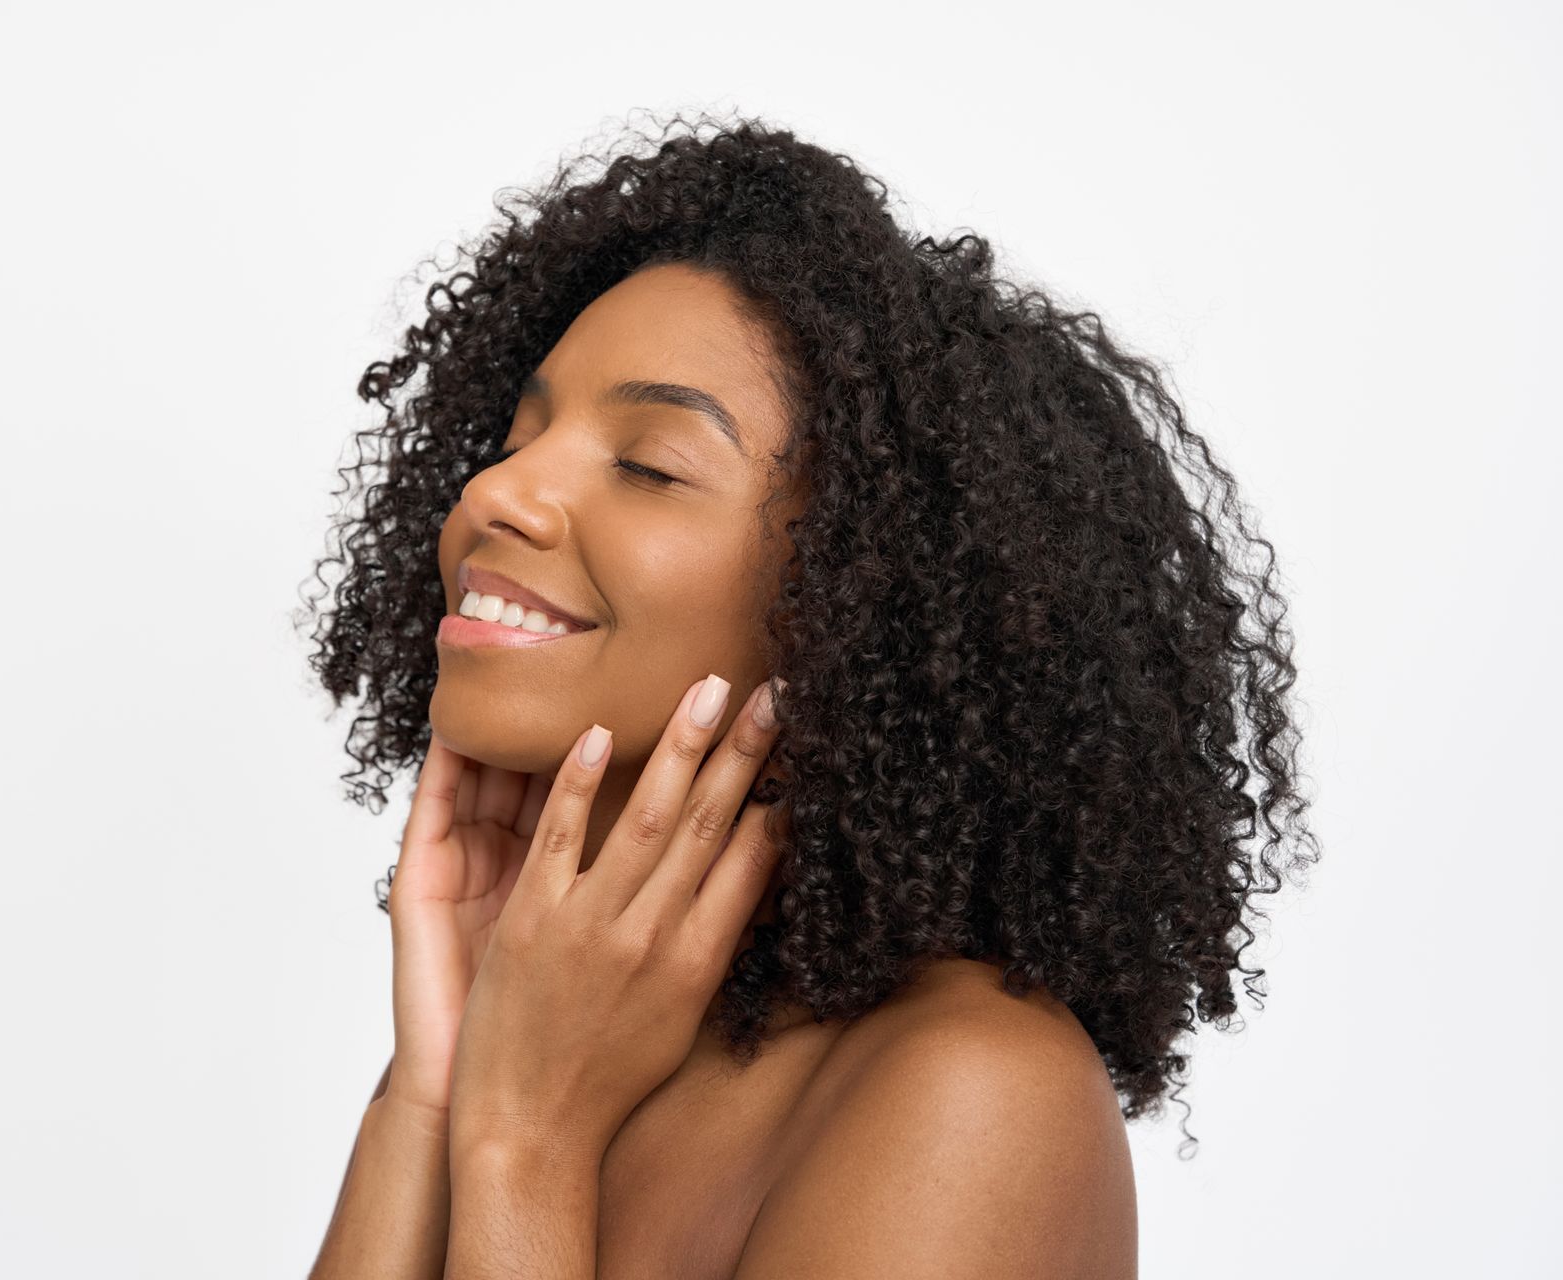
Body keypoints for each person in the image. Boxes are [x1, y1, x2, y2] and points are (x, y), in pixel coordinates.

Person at [298, 110, 1318, 1278]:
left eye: (650, 463)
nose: (502, 490)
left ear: (860, 593)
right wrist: (426, 1096)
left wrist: (520, 1144)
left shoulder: (974, 1092)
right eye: (521, 430)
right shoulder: (556, 1036)